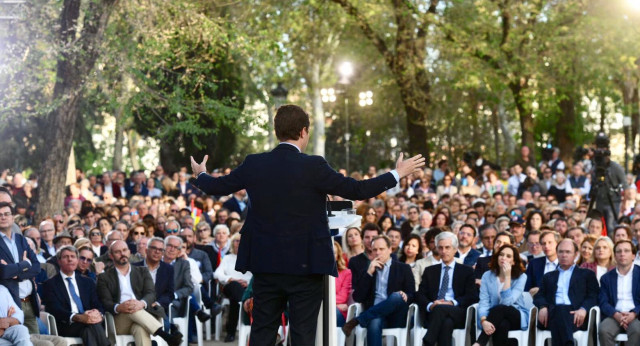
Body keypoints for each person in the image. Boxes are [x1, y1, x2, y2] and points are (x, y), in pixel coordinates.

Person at [190, 105, 424, 345]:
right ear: (304, 131)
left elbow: (218, 187)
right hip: (306, 265)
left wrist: (201, 175)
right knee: (303, 335)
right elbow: (357, 189)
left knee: (262, 332)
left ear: (276, 130)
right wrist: (397, 173)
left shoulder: (254, 163)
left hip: (266, 264)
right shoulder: (314, 165)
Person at [96, 240, 182, 346]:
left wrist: (141, 303)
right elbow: (105, 301)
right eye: (118, 252)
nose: (122, 254)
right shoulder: (104, 277)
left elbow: (151, 293)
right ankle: (164, 335)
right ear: (111, 255)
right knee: (132, 308)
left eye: (124, 250)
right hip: (119, 320)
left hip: (142, 316)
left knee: (140, 328)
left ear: (129, 252)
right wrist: (119, 307)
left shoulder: (142, 271)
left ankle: (165, 335)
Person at [341, 236, 415, 346]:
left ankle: (358, 319)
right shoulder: (367, 270)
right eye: (374, 250)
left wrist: (406, 295)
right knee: (374, 321)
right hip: (375, 316)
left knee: (396, 296)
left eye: (381, 249)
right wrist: (369, 273)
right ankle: (363, 318)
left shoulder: (403, 268)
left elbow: (413, 294)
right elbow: (358, 297)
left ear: (390, 249)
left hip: (395, 315)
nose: (377, 252)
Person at [416, 232, 478, 346]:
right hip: (434, 314)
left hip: (458, 311)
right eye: (440, 248)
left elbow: (472, 296)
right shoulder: (430, 271)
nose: (444, 251)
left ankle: (428, 341)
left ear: (455, 249)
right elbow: (420, 295)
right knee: (446, 323)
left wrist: (451, 302)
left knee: (441, 309)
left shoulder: (466, 271)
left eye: (447, 247)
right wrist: (431, 305)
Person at [41, 246, 110, 346]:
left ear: (77, 260)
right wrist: (77, 317)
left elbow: (97, 303)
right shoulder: (50, 284)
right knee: (92, 325)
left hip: (88, 322)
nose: (70, 259)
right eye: (66, 257)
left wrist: (98, 314)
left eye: (73, 256)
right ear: (59, 261)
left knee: (88, 329)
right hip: (67, 324)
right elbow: (54, 309)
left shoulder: (87, 282)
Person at [474, 244, 530, 346]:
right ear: (497, 257)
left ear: (513, 261)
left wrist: (507, 276)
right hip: (495, 318)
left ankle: (480, 342)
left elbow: (507, 303)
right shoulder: (487, 275)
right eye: (501, 254)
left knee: (501, 308)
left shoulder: (521, 277)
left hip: (515, 314)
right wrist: (484, 321)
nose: (504, 258)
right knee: (503, 324)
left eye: (508, 256)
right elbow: (484, 302)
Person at [0, 202, 41, 334]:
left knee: (37, 340)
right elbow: (3, 272)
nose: (3, 217)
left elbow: (36, 267)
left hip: (30, 302)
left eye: (7, 214)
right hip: (11, 306)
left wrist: (18, 274)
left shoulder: (21, 239)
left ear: (13, 218)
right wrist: (24, 264)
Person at [598, 240, 640, 346]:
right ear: (615, 256)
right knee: (604, 330)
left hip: (636, 315)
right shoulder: (606, 278)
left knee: (637, 330)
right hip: (614, 315)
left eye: (626, 251)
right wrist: (616, 314)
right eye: (619, 251)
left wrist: (634, 313)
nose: (622, 254)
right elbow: (603, 302)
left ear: (633, 256)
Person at [213, 233, 252, 342]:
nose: (239, 243)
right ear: (232, 243)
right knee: (235, 288)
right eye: (236, 241)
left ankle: (231, 333)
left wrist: (247, 282)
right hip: (230, 285)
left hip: (246, 287)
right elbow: (217, 274)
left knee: (235, 300)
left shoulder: (251, 258)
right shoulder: (228, 258)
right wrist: (231, 279)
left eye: (241, 241)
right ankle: (246, 305)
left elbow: (255, 276)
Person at [524, 230, 560, 295]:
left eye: (550, 242)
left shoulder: (566, 264)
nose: (546, 246)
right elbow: (526, 288)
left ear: (557, 244)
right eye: (543, 243)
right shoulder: (534, 264)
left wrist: (541, 290)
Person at [333, 241, 351, 328]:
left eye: (334, 253)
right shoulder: (317, 274)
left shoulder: (346, 273)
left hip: (338, 312)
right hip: (335, 306)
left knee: (332, 312)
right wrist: (336, 304)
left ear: (337, 256)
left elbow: (342, 297)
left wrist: (332, 305)